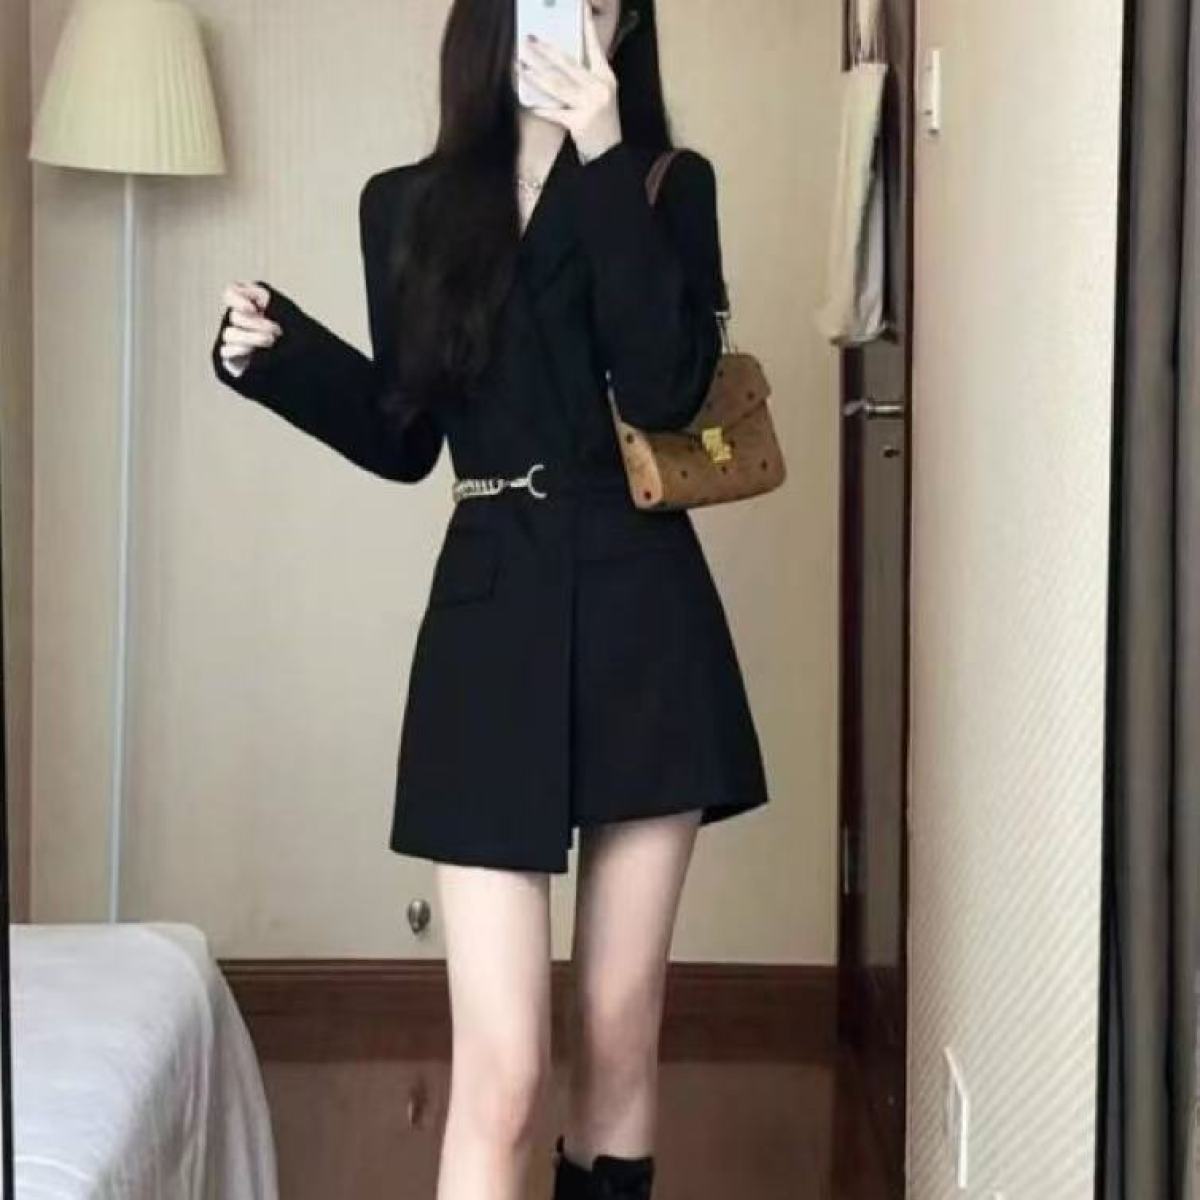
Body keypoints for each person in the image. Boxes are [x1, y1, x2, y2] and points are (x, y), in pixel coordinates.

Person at [210, 2, 770, 1196]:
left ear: (622, 25)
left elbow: (666, 389)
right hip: (489, 621)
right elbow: (406, 437)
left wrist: (605, 150)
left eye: (597, 0)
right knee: (504, 1072)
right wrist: (280, 358)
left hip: (644, 619)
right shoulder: (404, 206)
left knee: (617, 1037)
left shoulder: (667, 185)